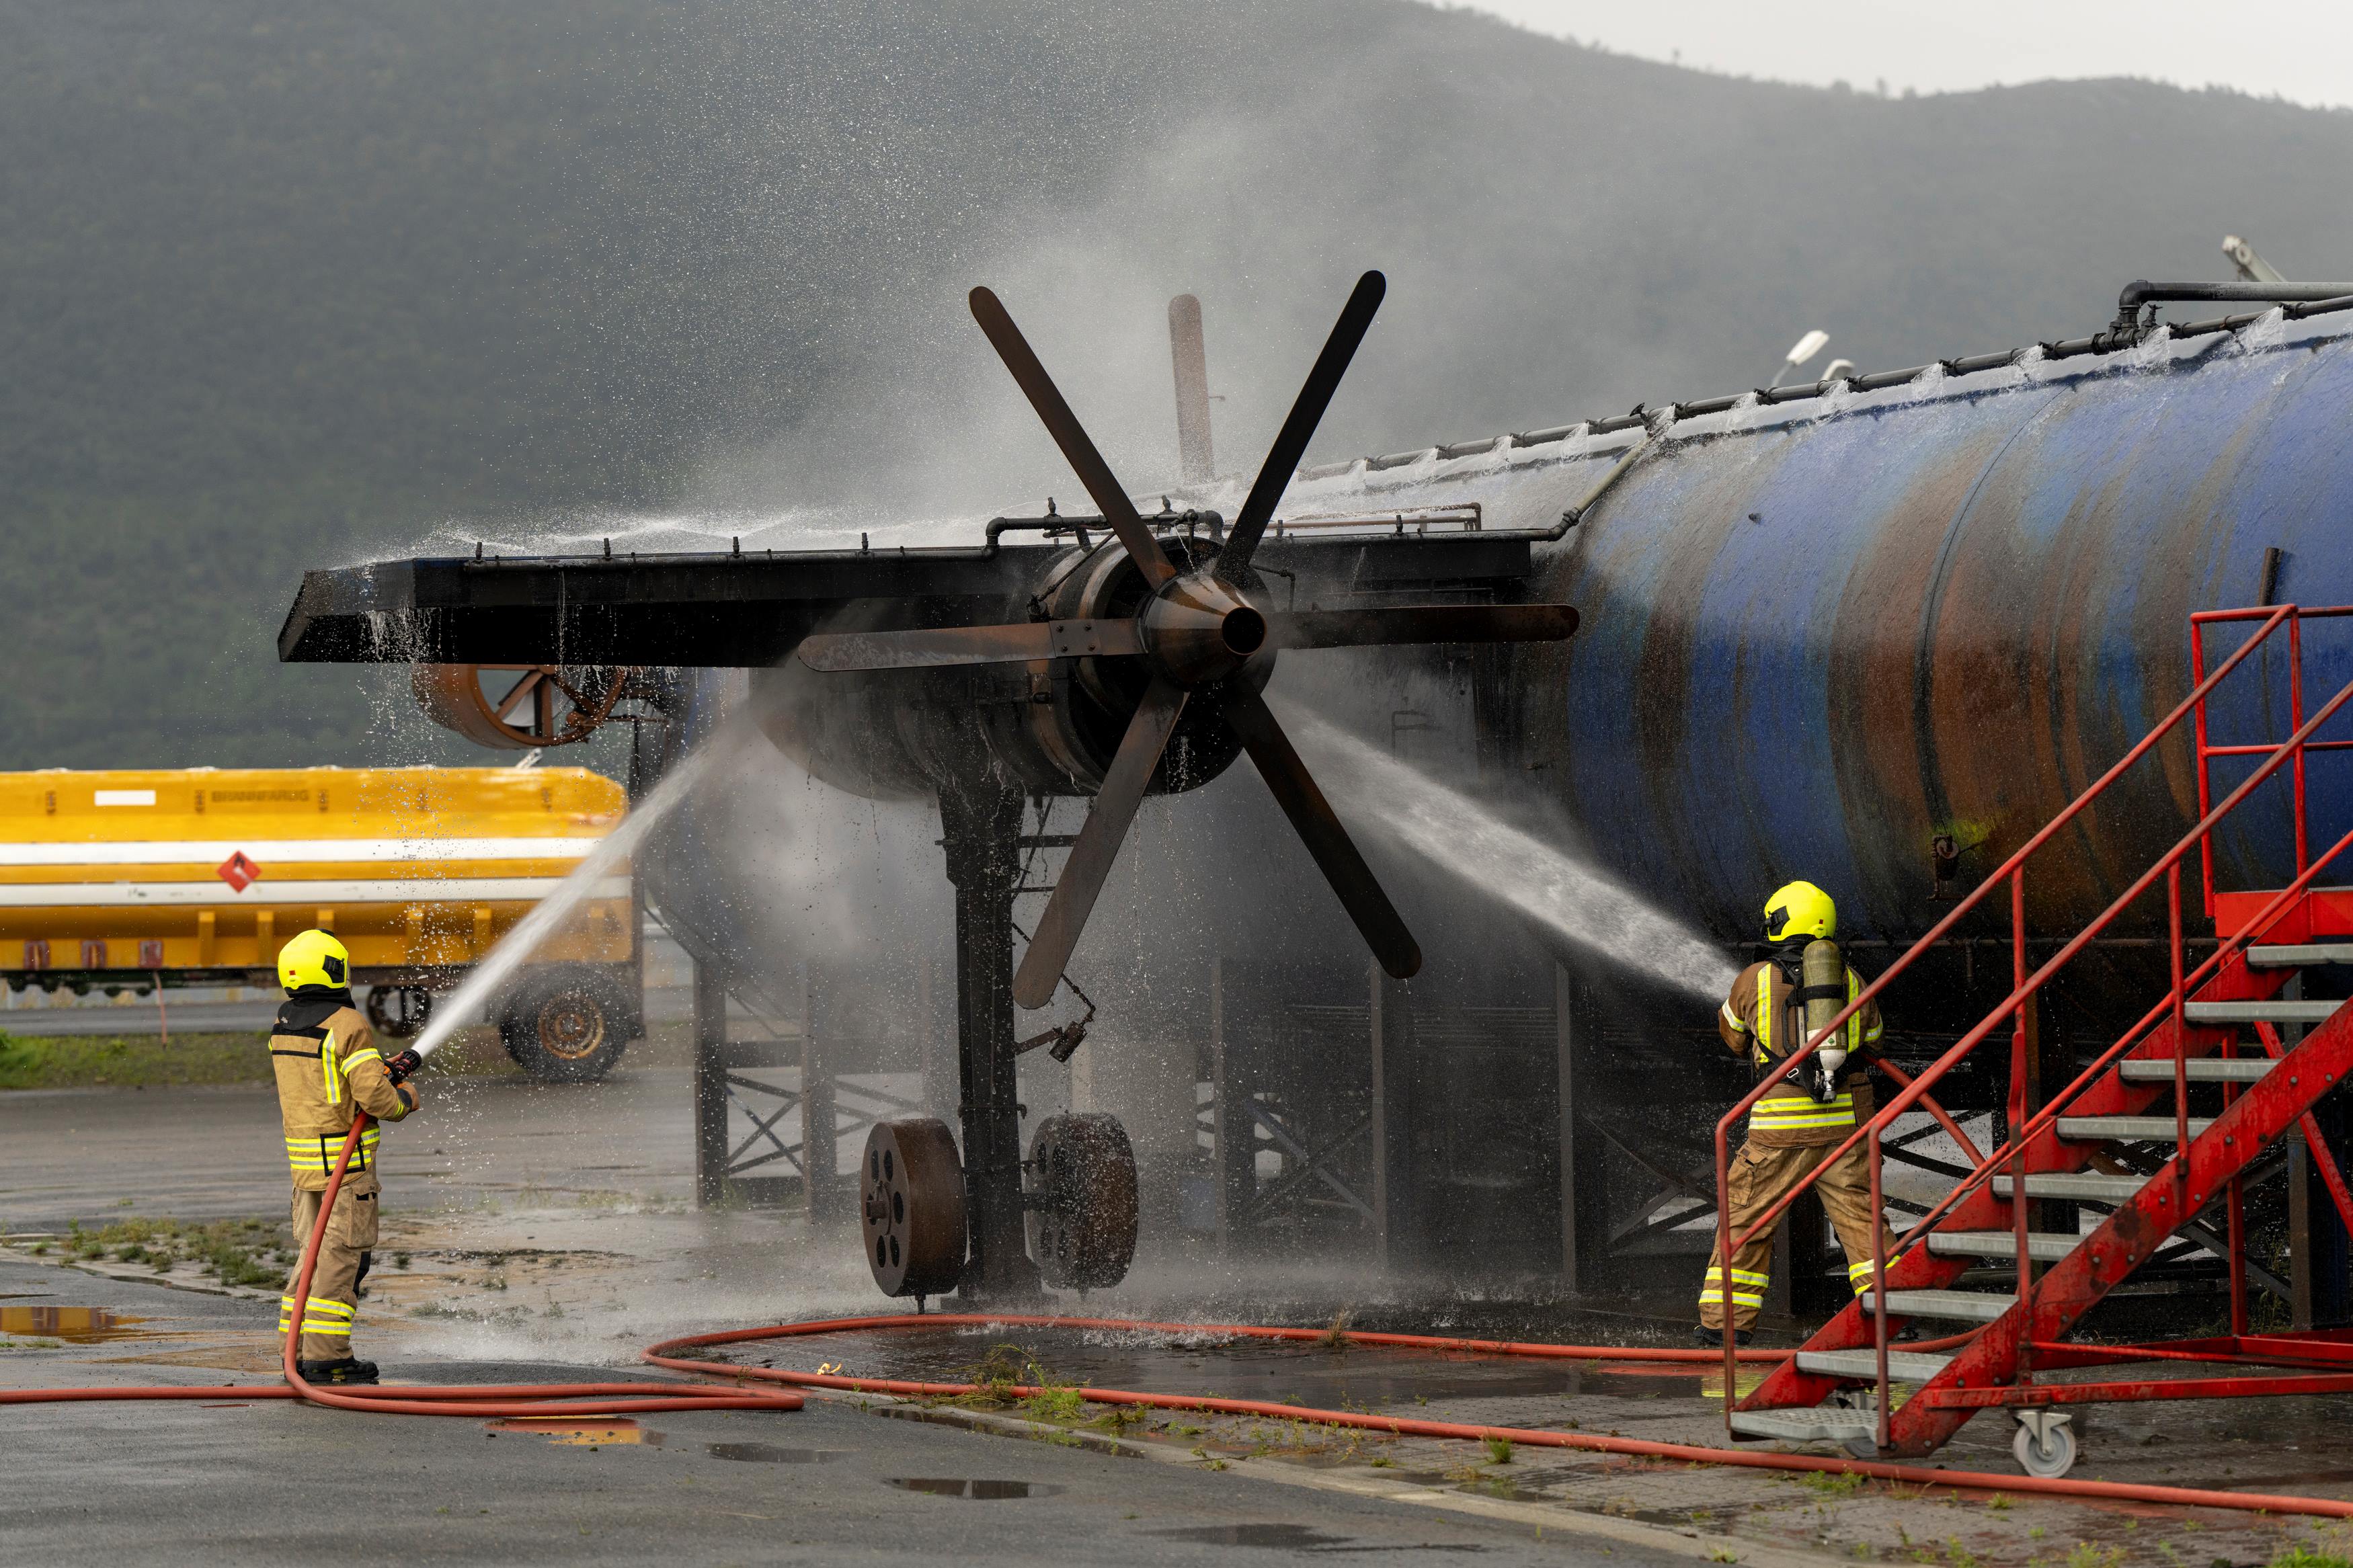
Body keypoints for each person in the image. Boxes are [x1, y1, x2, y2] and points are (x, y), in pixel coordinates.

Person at [1696, 880, 1895, 1345]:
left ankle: (1725, 1327)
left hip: (1778, 1134)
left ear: (1783, 923)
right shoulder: (1849, 978)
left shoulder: (1754, 978)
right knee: (1864, 1223)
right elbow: (1876, 1038)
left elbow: (1733, 1035)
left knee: (1745, 1219)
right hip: (1844, 1126)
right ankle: (1895, 1312)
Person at [268, 930, 419, 1385]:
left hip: (306, 1170)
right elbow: (376, 1099)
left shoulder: (284, 1021)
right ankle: (328, 1356)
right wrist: (405, 1097)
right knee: (342, 1260)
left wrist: (376, 1067)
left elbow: (329, 1080)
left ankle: (292, 1348)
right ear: (335, 969)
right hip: (346, 1173)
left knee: (310, 1257)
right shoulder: (347, 1023)